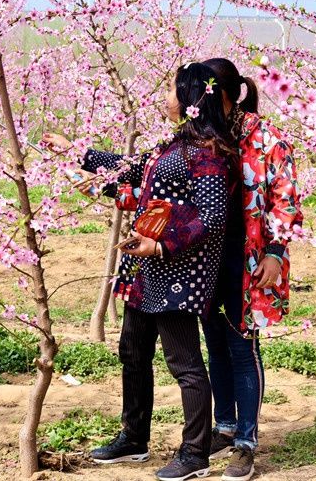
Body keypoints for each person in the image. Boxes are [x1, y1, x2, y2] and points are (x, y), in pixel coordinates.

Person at [44, 62, 236, 481]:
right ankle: (134, 437)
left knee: (184, 363)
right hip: (145, 269)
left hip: (177, 271)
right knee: (132, 350)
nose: (165, 97)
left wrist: (164, 243)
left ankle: (195, 453)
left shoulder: (207, 152)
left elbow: (214, 214)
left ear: (191, 98)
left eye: (172, 89)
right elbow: (130, 169)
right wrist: (78, 153)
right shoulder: (175, 144)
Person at [199, 58, 303, 481]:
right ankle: (223, 426)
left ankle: (246, 441)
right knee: (215, 346)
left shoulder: (267, 140)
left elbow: (286, 199)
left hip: (250, 261)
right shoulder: (203, 137)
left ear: (223, 97)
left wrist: (275, 253)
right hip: (207, 261)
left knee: (244, 349)